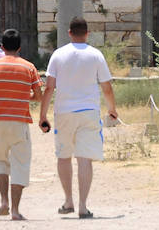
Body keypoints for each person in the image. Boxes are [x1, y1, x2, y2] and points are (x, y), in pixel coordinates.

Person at [38, 17, 119, 220]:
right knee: (84, 159)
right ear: (87, 33)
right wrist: (112, 109)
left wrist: (42, 115)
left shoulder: (58, 55)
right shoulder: (96, 55)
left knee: (64, 156)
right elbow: (107, 87)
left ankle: (68, 201)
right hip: (89, 111)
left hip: (64, 111)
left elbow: (49, 87)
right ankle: (83, 206)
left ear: (69, 33)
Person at [0, 27, 42, 221]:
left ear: (3, 47)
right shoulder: (29, 67)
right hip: (20, 120)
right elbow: (38, 96)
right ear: (19, 47)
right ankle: (15, 210)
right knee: (20, 163)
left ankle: (3, 201)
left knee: (1, 160)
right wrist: (26, 96)